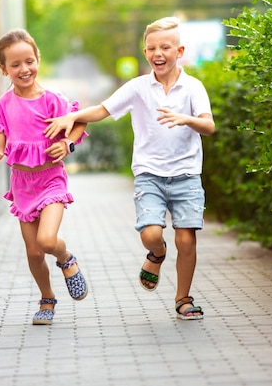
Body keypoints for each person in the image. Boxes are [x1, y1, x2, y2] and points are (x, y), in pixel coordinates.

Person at [44, 17, 215, 320]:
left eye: (165, 47)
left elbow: (208, 125)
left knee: (187, 239)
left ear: (180, 50)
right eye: (151, 48)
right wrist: (72, 117)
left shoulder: (193, 87)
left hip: (186, 175)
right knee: (150, 233)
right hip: (149, 175)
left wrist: (184, 119)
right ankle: (156, 253)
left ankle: (183, 298)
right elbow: (103, 109)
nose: (157, 53)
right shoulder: (138, 87)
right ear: (145, 52)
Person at [0, 28, 89, 325]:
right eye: (15, 65)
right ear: (3, 69)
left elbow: (79, 122)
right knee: (33, 253)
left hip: (51, 180)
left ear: (37, 60)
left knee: (46, 240)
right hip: (22, 185)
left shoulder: (52, 101)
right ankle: (47, 299)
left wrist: (66, 143)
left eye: (28, 61)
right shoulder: (3, 105)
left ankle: (66, 258)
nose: (24, 69)